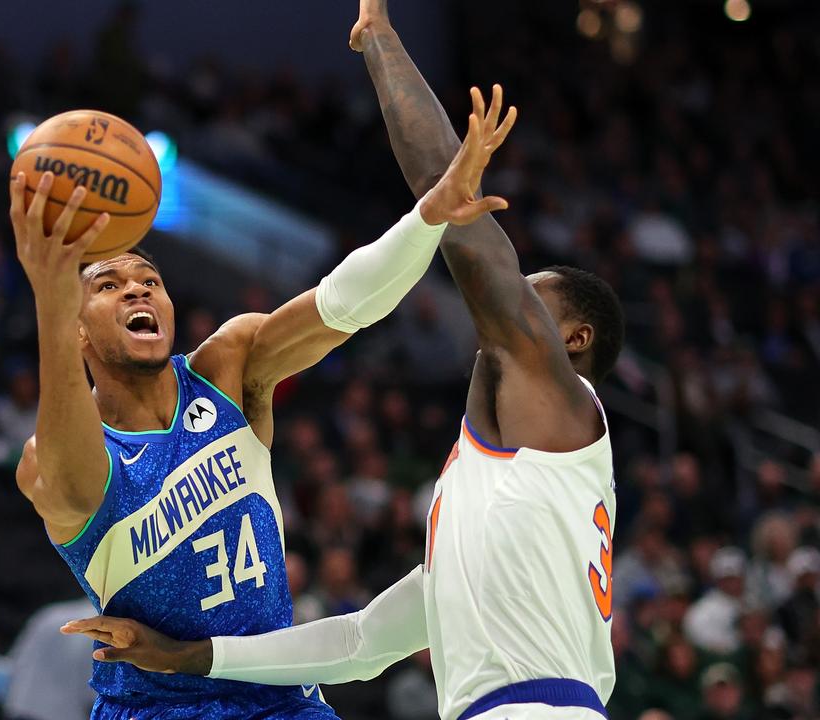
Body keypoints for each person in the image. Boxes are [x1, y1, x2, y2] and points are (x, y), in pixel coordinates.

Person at [61, 4, 626, 720]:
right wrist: (187, 657)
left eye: (531, 300)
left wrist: (383, 43)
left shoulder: (562, 403)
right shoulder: (503, 513)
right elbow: (357, 643)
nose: (508, 309)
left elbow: (468, 234)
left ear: (572, 341)